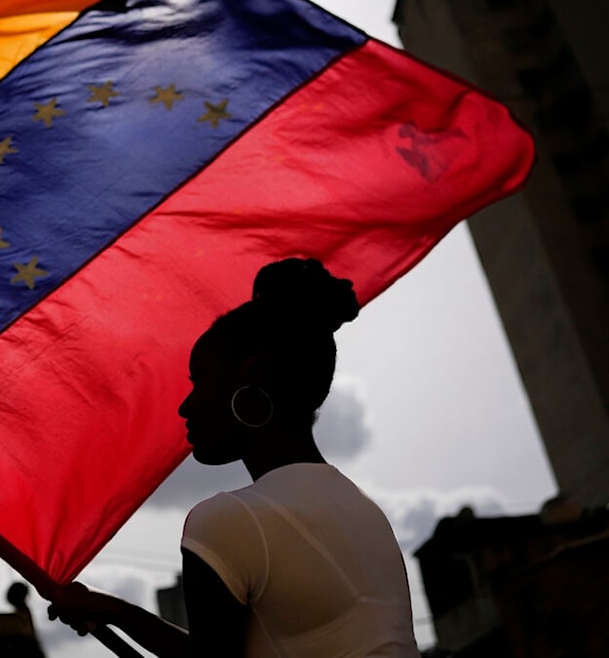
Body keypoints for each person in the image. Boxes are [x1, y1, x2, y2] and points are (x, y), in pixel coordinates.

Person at [48, 258, 420, 657]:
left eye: (200, 378)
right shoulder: (365, 514)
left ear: (253, 373)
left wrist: (116, 614)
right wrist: (116, 613)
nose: (185, 407)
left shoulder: (227, 521)